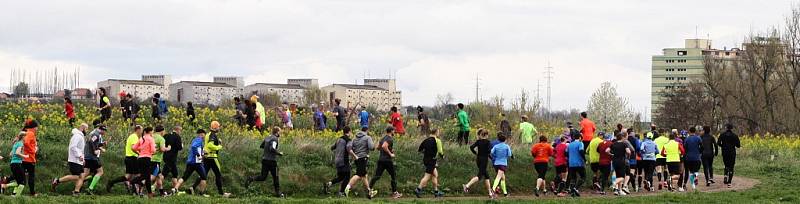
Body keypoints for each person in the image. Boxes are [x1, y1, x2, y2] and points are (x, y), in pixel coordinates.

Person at [244, 127, 285, 198]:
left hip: (265, 160)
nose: (280, 133)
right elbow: (272, 148)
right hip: (272, 161)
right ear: (277, 132)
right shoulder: (275, 139)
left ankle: (251, 179)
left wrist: (267, 151)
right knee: (276, 177)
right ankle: (278, 193)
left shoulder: (267, 137)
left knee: (263, 177)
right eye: (279, 132)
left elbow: (262, 146)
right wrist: (279, 153)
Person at [193, 121, 230, 197]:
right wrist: (219, 146)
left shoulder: (208, 134)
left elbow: (208, 144)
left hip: (207, 157)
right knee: (218, 175)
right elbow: (210, 145)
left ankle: (192, 187)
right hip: (212, 157)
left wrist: (218, 142)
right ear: (215, 127)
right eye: (218, 127)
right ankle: (221, 193)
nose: (219, 128)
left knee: (203, 174)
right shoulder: (213, 135)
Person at [51, 123, 88, 196]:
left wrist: (82, 158)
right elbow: (73, 147)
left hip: (78, 160)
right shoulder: (77, 136)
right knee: (76, 176)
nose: (87, 131)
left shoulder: (80, 136)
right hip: (74, 160)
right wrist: (80, 156)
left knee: (80, 176)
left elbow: (80, 149)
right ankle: (57, 181)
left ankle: (76, 192)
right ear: (83, 128)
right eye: (86, 129)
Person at [171, 129, 209, 197]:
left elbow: (196, 148)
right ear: (201, 134)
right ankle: (202, 193)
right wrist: (198, 155)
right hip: (196, 162)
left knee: (184, 177)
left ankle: (175, 189)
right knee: (204, 177)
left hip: (190, 162)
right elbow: (194, 147)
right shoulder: (199, 140)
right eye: (204, 134)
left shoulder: (195, 140)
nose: (204, 136)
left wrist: (203, 153)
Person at [343, 127, 377, 199]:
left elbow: (350, 147)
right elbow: (371, 147)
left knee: (364, 175)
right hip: (363, 158)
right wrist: (374, 147)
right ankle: (347, 188)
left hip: (356, 158)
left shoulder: (354, 139)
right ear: (366, 130)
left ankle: (369, 192)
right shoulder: (367, 137)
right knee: (359, 175)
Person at [369, 126, 402, 199]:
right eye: (394, 131)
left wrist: (389, 150)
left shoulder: (383, 138)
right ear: (391, 131)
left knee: (377, 176)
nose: (394, 132)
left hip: (381, 159)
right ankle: (395, 193)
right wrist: (390, 154)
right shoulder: (389, 139)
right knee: (393, 175)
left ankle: (369, 190)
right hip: (387, 160)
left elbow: (378, 148)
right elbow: (384, 146)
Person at [107, 125, 142, 193]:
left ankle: (111, 182)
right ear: (137, 130)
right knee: (138, 175)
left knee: (128, 176)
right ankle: (135, 191)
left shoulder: (133, 136)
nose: (141, 131)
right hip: (132, 158)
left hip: (128, 158)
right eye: (141, 130)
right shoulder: (134, 137)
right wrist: (139, 154)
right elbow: (133, 148)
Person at [415, 128, 445, 198]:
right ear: (436, 132)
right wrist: (443, 156)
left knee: (435, 175)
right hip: (432, 160)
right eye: (438, 132)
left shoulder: (426, 140)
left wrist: (426, 153)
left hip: (425, 160)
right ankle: (418, 189)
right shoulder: (437, 140)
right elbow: (440, 151)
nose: (439, 133)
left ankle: (436, 192)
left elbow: (420, 150)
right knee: (427, 176)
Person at [463, 129, 492, 198]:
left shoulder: (478, 141)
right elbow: (488, 151)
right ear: (486, 135)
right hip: (484, 160)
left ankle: (490, 193)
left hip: (478, 159)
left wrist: (475, 153)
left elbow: (471, 147)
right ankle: (467, 186)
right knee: (479, 176)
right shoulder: (488, 142)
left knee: (487, 176)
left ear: (481, 135)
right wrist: (491, 158)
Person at [323, 126, 352, 197]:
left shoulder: (339, 139)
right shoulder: (348, 140)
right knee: (347, 176)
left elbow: (332, 147)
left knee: (341, 177)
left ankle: (328, 184)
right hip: (344, 160)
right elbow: (349, 148)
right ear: (349, 131)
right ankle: (341, 192)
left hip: (337, 160)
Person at [82, 124, 108, 195]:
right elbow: (91, 141)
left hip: (87, 156)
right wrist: (94, 150)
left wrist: (102, 144)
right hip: (92, 157)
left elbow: (95, 144)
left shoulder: (96, 134)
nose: (105, 133)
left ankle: (79, 184)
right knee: (100, 172)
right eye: (104, 131)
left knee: (86, 173)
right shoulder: (96, 134)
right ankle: (90, 189)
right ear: (102, 130)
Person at [131, 127, 156, 197]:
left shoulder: (141, 138)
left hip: (139, 159)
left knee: (147, 178)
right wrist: (153, 150)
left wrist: (141, 150)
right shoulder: (151, 139)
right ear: (150, 132)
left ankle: (150, 194)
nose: (152, 133)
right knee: (145, 176)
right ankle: (133, 181)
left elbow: (133, 148)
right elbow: (153, 150)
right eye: (152, 132)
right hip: (147, 159)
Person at [5, 131, 28, 196]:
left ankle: (12, 194)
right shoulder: (20, 143)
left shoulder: (16, 144)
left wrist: (17, 158)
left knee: (18, 182)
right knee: (22, 183)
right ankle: (16, 197)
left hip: (13, 164)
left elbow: (10, 154)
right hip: (17, 164)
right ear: (23, 137)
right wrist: (24, 156)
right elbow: (17, 153)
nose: (26, 138)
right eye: (26, 136)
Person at [490, 133, 512, 199]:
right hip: (503, 163)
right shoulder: (506, 146)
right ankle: (493, 190)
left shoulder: (496, 146)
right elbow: (509, 154)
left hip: (496, 163)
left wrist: (497, 155)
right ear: (505, 140)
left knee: (503, 178)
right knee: (499, 177)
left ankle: (505, 193)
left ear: (499, 140)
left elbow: (491, 152)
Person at [718, 124, 740, 188]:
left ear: (726, 128)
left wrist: (723, 146)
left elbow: (718, 143)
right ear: (732, 128)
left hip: (724, 152)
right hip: (732, 153)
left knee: (726, 165)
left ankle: (725, 175)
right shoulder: (735, 136)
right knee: (731, 167)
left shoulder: (722, 135)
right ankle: (729, 182)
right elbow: (738, 145)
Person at [152, 125, 172, 196]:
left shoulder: (152, 136)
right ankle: (139, 184)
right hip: (156, 160)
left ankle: (161, 192)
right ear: (162, 131)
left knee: (159, 176)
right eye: (164, 131)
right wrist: (168, 148)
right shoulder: (161, 138)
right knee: (152, 176)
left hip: (149, 158)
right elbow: (162, 149)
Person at [163, 126, 184, 192]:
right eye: (180, 131)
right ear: (178, 130)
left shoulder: (166, 135)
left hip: (165, 156)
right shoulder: (177, 137)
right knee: (164, 173)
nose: (180, 132)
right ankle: (154, 186)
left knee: (175, 173)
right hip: (172, 158)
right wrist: (182, 145)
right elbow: (180, 147)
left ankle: (175, 189)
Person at [22, 119, 39, 196]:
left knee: (20, 174)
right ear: (34, 127)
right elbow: (26, 142)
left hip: (24, 158)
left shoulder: (26, 132)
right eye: (36, 127)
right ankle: (32, 193)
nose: (37, 129)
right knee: (31, 177)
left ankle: (6, 180)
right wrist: (33, 150)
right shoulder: (30, 133)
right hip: (29, 159)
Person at [682, 127, 703, 191]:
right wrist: (699, 152)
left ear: (689, 131)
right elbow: (702, 146)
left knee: (691, 172)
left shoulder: (687, 139)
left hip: (688, 158)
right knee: (696, 171)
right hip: (696, 157)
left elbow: (684, 148)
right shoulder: (698, 138)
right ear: (695, 131)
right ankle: (696, 176)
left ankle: (693, 186)